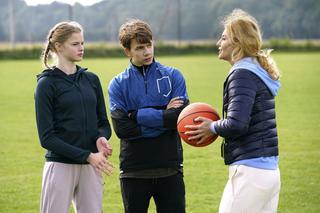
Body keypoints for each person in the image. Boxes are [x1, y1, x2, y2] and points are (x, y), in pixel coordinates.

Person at [185, 9, 281, 213]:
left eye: (223, 38)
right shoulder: (256, 70)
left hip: (251, 173)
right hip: (269, 172)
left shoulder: (242, 74)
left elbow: (237, 123)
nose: (218, 43)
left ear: (237, 42)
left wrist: (211, 126)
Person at [108, 19, 189, 213]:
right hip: (133, 170)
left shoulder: (174, 76)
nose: (147, 52)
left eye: (149, 45)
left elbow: (178, 118)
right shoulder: (117, 84)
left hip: (169, 168)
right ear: (127, 51)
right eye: (140, 48)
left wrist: (135, 115)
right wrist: (163, 113)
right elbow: (122, 129)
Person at [34, 21, 113, 213]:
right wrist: (86, 156)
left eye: (82, 43)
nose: (81, 48)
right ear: (59, 46)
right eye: (75, 44)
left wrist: (101, 137)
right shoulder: (46, 84)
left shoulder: (91, 79)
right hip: (60, 165)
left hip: (92, 164)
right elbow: (46, 138)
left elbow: (103, 123)